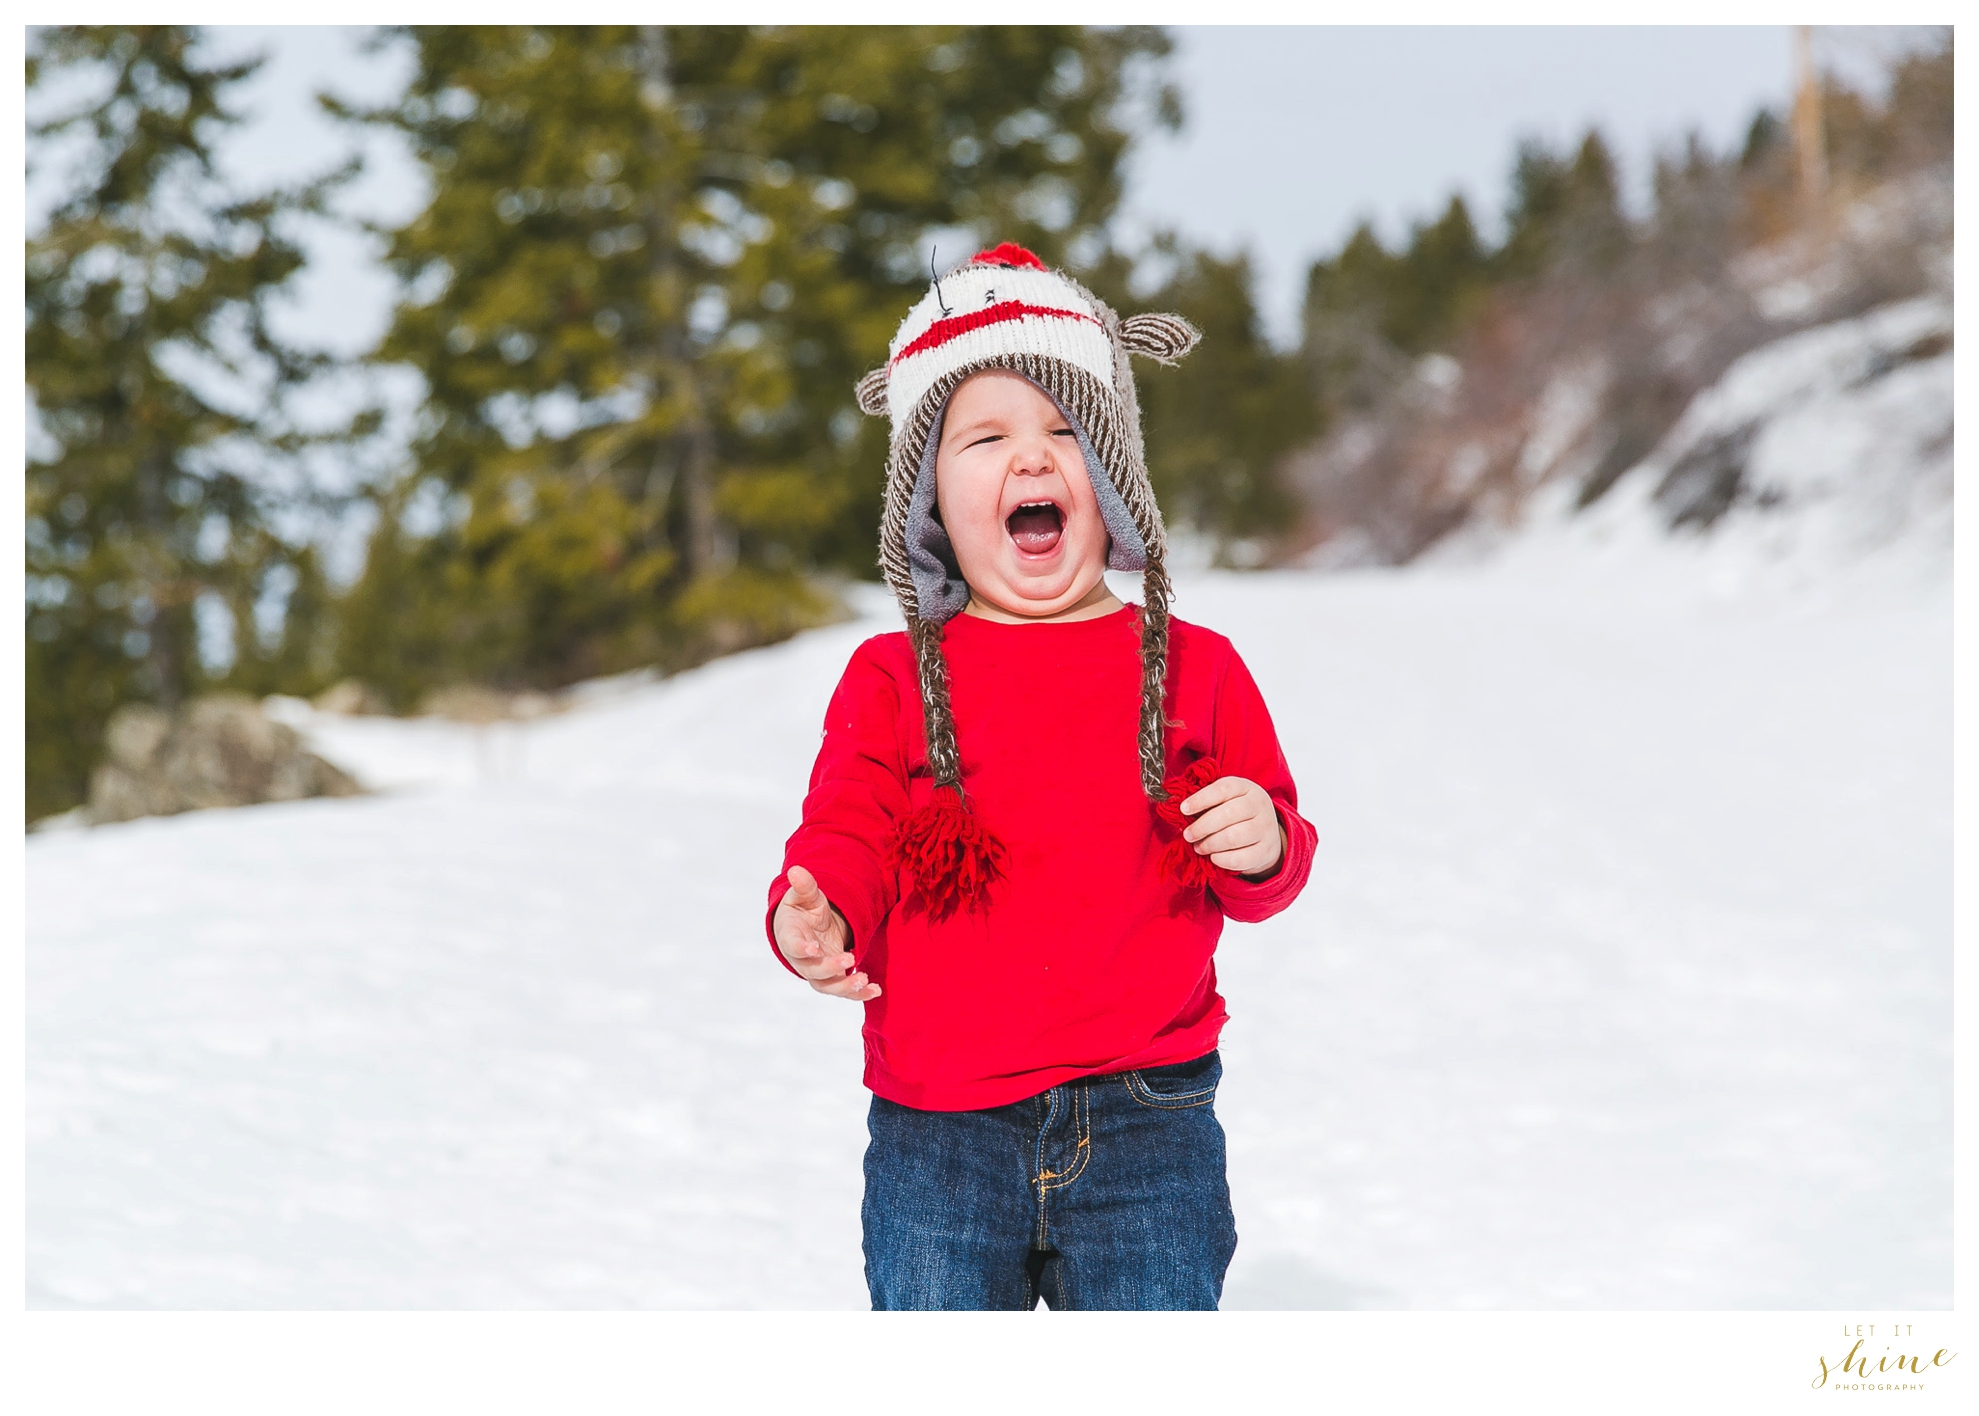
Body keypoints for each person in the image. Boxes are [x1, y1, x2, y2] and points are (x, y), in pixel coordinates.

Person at [764, 243, 1317, 1310]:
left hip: (1149, 1122)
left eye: (1065, 429)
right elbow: (848, 822)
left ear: (1110, 473)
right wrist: (816, 909)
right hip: (940, 1133)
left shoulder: (1193, 668)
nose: (1032, 458)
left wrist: (1263, 840)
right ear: (928, 497)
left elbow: (1275, 856)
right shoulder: (892, 678)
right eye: (985, 436)